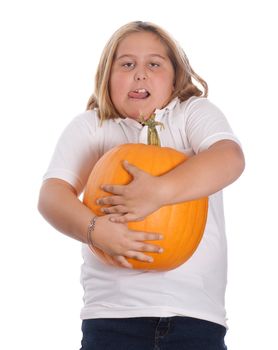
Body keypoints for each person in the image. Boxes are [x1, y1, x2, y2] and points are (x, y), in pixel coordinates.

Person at [38, 21, 245, 350]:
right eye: (127, 64)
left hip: (194, 313)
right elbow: (51, 195)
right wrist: (94, 230)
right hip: (111, 315)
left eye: (154, 64)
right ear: (107, 76)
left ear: (175, 77)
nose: (140, 74)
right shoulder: (93, 127)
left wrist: (160, 191)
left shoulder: (191, 115)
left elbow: (229, 158)